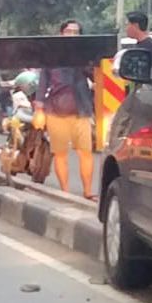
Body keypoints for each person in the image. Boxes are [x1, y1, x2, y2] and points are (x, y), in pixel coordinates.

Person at [34, 19, 96, 199]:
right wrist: (39, 108)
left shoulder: (84, 55)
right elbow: (43, 82)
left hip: (81, 110)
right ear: (61, 33)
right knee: (60, 154)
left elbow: (96, 75)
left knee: (86, 152)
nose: (72, 35)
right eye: (69, 31)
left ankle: (87, 192)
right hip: (55, 110)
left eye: (76, 32)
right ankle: (65, 192)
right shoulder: (50, 55)